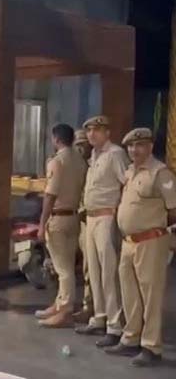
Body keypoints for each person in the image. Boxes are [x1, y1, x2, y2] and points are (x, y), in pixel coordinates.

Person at [105, 128, 176, 367]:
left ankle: (151, 346)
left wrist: (163, 233)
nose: (134, 150)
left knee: (151, 295)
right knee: (130, 293)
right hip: (129, 242)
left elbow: (173, 209)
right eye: (130, 146)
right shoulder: (130, 171)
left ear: (150, 147)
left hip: (151, 241)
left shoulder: (160, 173)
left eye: (140, 145)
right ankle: (131, 338)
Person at [76, 115, 129, 348]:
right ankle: (99, 317)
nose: (91, 134)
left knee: (109, 272)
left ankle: (115, 325)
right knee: (94, 272)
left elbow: (126, 183)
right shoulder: (94, 156)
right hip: (90, 217)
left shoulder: (115, 154)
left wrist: (120, 213)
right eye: (89, 131)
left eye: (97, 130)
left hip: (107, 216)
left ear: (107, 132)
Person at [35, 124, 87, 328]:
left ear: (56, 139)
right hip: (74, 217)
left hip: (58, 218)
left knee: (63, 268)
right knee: (67, 265)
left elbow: (50, 195)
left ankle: (64, 310)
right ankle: (59, 304)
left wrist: (42, 223)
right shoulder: (80, 160)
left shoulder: (57, 161)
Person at [73, 129, 94, 323]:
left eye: (83, 145)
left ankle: (90, 306)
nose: (80, 149)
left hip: (91, 221)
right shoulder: (75, 166)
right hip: (78, 221)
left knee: (91, 267)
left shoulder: (95, 165)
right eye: (77, 145)